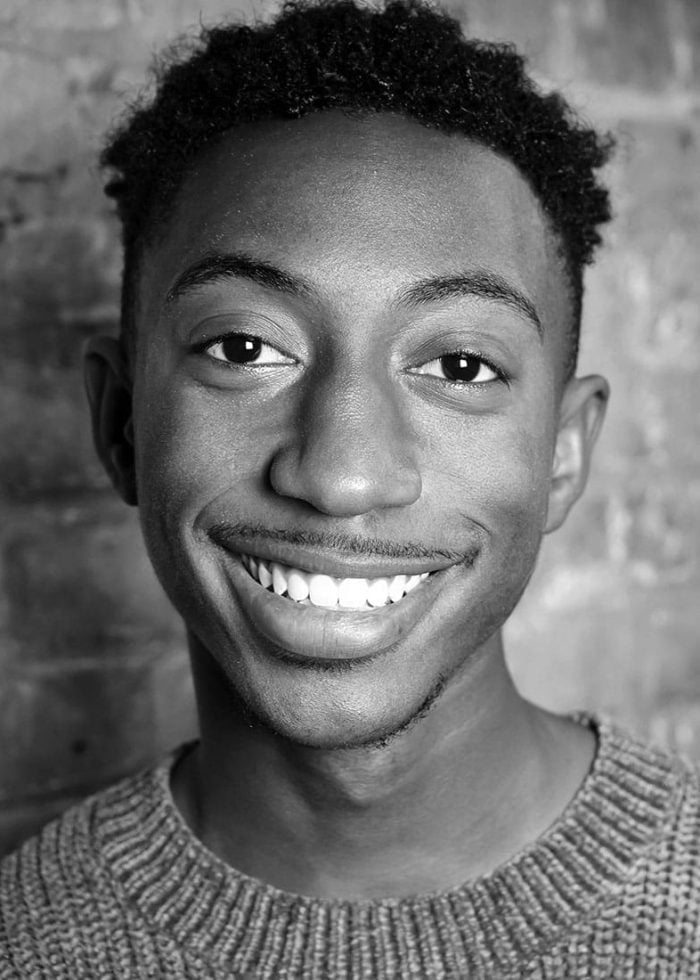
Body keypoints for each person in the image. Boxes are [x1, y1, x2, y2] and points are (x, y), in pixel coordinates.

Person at [2, 0, 699, 976]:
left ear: (564, 455)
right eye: (245, 347)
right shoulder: (28, 943)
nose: (339, 476)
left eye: (458, 366)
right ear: (122, 420)